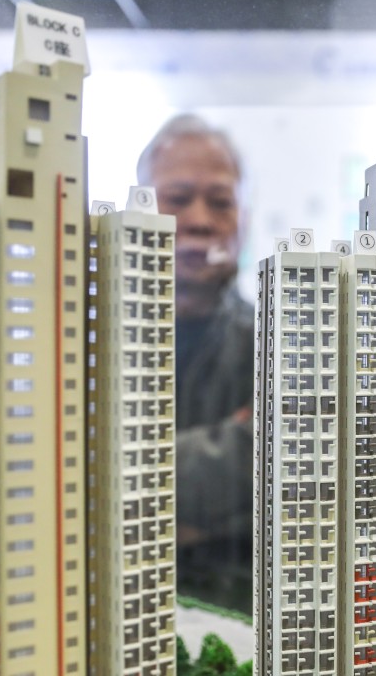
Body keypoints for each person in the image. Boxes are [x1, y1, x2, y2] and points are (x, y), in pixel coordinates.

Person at [137, 114, 255, 614]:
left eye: (221, 202)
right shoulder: (87, 338)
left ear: (242, 219)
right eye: (178, 198)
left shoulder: (276, 344)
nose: (200, 219)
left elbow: (278, 477)